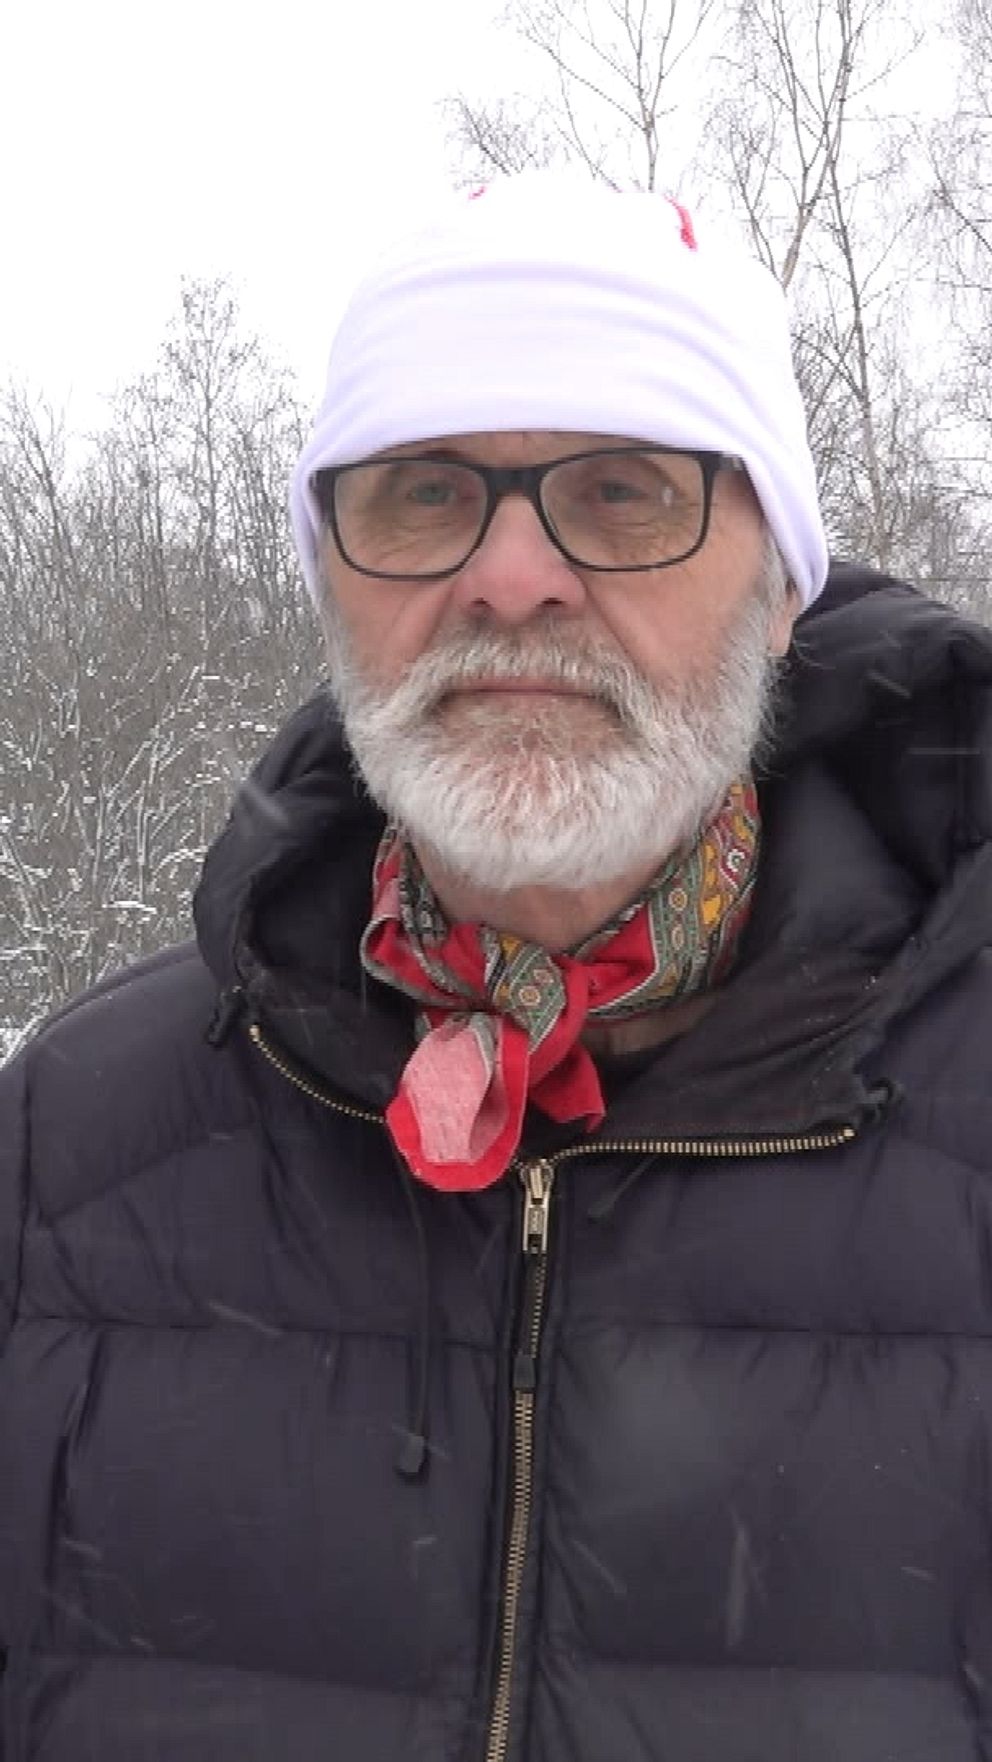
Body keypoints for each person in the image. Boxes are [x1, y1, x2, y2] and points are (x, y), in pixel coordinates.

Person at [2, 172, 991, 1762]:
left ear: (783, 585)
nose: (513, 575)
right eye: (422, 492)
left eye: (625, 490)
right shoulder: (63, 1159)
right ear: (332, 578)